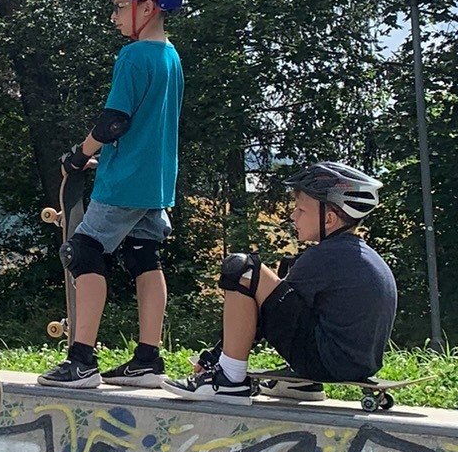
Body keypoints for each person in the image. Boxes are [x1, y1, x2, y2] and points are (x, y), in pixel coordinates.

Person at [39, 0, 186, 390]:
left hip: (123, 183)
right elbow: (145, 128)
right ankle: (148, 359)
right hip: (155, 181)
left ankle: (81, 359)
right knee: (144, 257)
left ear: (148, 7)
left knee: (81, 250)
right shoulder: (171, 57)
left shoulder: (134, 55)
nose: (114, 15)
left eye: (121, 5)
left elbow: (114, 121)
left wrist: (80, 153)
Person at [162, 162, 394, 403]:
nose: (293, 216)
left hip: (326, 363)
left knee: (241, 269)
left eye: (301, 210)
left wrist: (215, 356)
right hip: (357, 364)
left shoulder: (325, 257)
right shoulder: (359, 255)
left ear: (329, 219)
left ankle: (228, 380)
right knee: (284, 273)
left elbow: (265, 314)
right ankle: (302, 385)